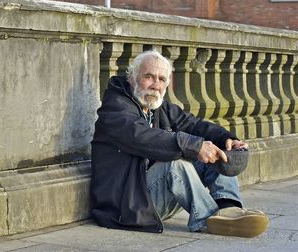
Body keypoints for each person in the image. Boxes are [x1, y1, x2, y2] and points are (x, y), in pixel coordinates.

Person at [90, 50, 269, 237]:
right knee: (174, 162)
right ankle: (209, 219)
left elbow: (195, 125)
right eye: (149, 77)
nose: (155, 85)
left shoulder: (160, 108)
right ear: (132, 78)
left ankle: (228, 208)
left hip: (150, 198)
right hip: (126, 207)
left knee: (215, 148)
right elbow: (141, 136)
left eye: (161, 79)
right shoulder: (115, 108)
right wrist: (195, 146)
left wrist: (227, 139)